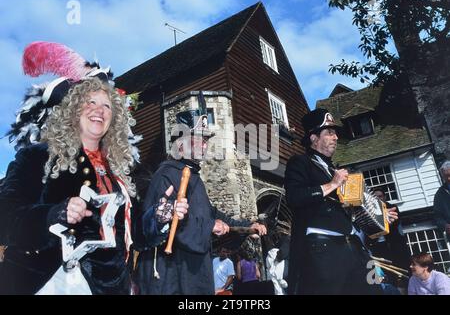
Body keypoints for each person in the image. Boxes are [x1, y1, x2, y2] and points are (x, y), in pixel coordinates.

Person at [0, 42, 182, 295]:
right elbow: (6, 219)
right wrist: (53, 215)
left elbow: (134, 235)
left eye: (106, 105)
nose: (99, 110)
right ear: (72, 110)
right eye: (90, 102)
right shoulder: (36, 156)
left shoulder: (117, 170)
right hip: (49, 283)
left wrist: (159, 217)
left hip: (109, 287)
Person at [134, 100, 267, 295]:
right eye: (198, 139)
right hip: (170, 274)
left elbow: (212, 214)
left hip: (194, 271)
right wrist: (209, 226)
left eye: (205, 140)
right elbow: (158, 226)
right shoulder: (166, 174)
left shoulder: (193, 177)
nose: (204, 145)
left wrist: (247, 227)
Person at [284, 108, 398, 295]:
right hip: (323, 249)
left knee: (375, 291)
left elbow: (351, 212)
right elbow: (294, 197)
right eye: (329, 132)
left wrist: (380, 218)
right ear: (313, 137)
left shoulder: (335, 169)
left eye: (335, 133)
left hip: (354, 246)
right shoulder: (300, 162)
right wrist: (332, 184)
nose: (336, 137)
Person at [433, 161, 450, 237]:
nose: (448, 178)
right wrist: (445, 226)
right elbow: (437, 217)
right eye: (446, 176)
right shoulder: (439, 195)